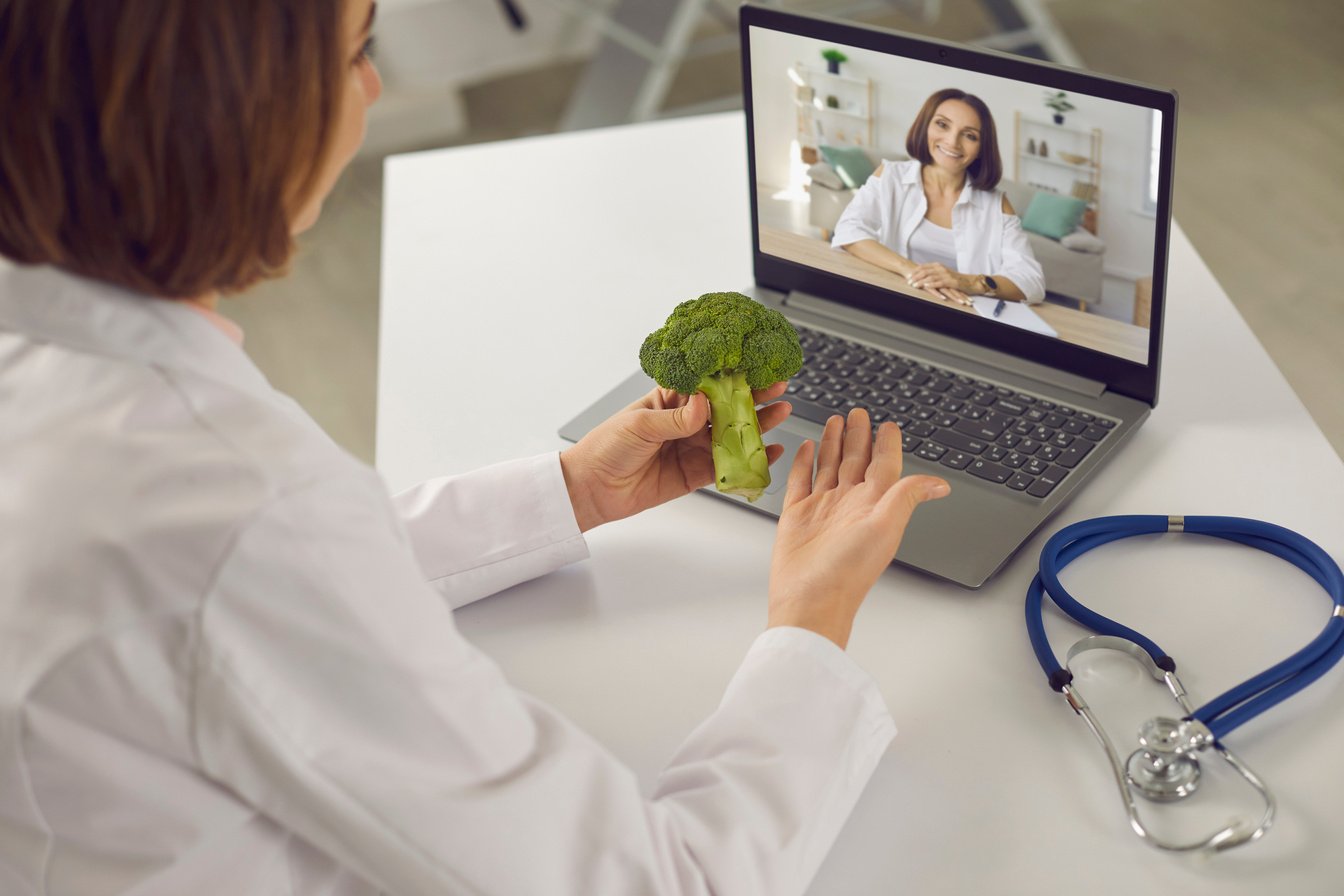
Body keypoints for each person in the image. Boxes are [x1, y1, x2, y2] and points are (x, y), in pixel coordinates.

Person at [0, 1, 950, 893]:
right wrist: (812, 613)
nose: (373, 90)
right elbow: (660, 881)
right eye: (359, 52)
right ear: (230, 119)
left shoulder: (68, 368)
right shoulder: (227, 504)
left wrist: (571, 491)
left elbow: (256, 599)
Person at [831, 87, 1046, 308]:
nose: (953, 142)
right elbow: (849, 230)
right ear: (925, 126)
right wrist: (911, 270)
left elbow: (1032, 282)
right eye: (942, 124)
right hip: (892, 302)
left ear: (981, 148)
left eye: (970, 135)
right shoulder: (890, 176)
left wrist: (967, 281)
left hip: (962, 316)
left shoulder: (997, 205)